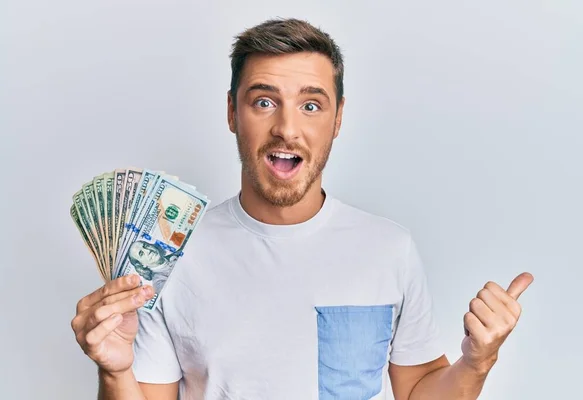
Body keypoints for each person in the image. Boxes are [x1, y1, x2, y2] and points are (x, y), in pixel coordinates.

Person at [71, 18, 534, 400]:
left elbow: (417, 391)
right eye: (264, 101)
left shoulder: (389, 248)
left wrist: (478, 361)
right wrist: (115, 375)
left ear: (338, 119)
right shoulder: (170, 256)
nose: (286, 128)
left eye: (311, 105)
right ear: (232, 113)